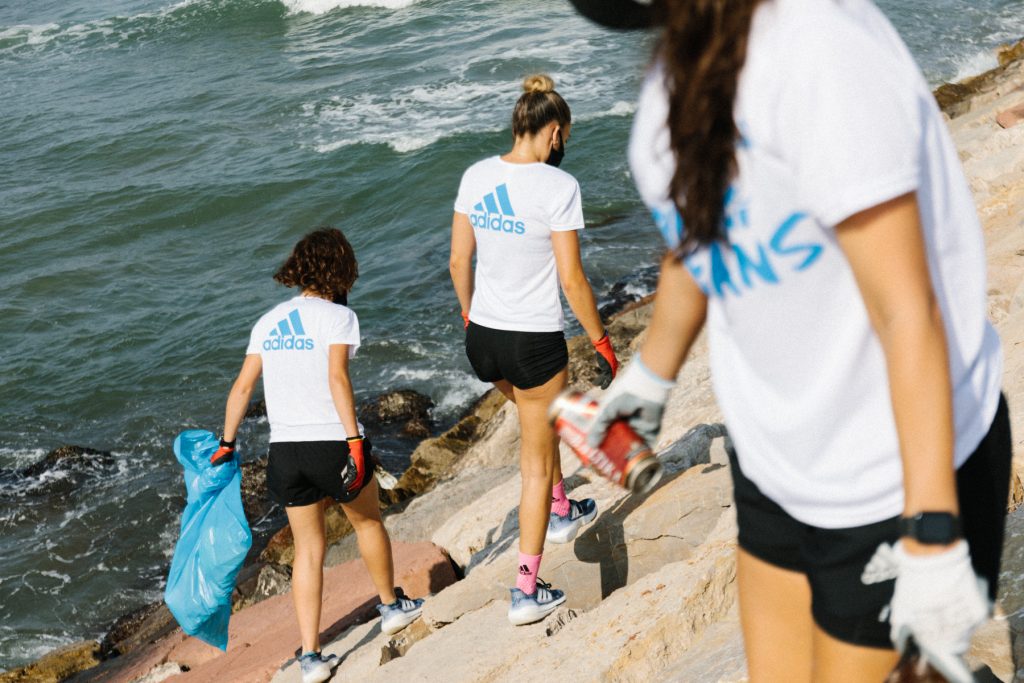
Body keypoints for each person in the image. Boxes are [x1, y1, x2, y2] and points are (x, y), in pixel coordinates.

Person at [569, 0, 1012, 681]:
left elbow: (906, 310)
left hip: (892, 474)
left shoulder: (819, 48)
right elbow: (702, 229)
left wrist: (932, 533)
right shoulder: (679, 67)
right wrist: (649, 377)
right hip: (776, 461)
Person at [214, 228, 424, 683]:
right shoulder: (338, 317)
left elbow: (243, 387)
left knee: (308, 550)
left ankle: (311, 656)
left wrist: (227, 443)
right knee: (367, 523)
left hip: (285, 452)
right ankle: (391, 607)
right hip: (332, 443)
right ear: (341, 269)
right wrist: (354, 442)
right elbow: (337, 378)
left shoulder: (269, 322)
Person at [449, 74, 619, 626]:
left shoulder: (476, 175)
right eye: (564, 136)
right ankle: (525, 590)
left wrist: (471, 318)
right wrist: (602, 342)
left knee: (536, 426)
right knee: (534, 464)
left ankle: (563, 507)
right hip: (533, 343)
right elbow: (572, 280)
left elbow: (458, 262)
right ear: (553, 133)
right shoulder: (557, 186)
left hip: (483, 341)